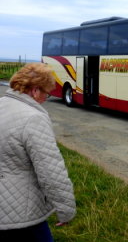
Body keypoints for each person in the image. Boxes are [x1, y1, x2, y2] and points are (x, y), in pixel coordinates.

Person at [0, 63, 76, 241]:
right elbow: (51, 171)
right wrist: (66, 209)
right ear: (35, 91)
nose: (45, 99)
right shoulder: (33, 118)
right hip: (21, 211)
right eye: (46, 94)